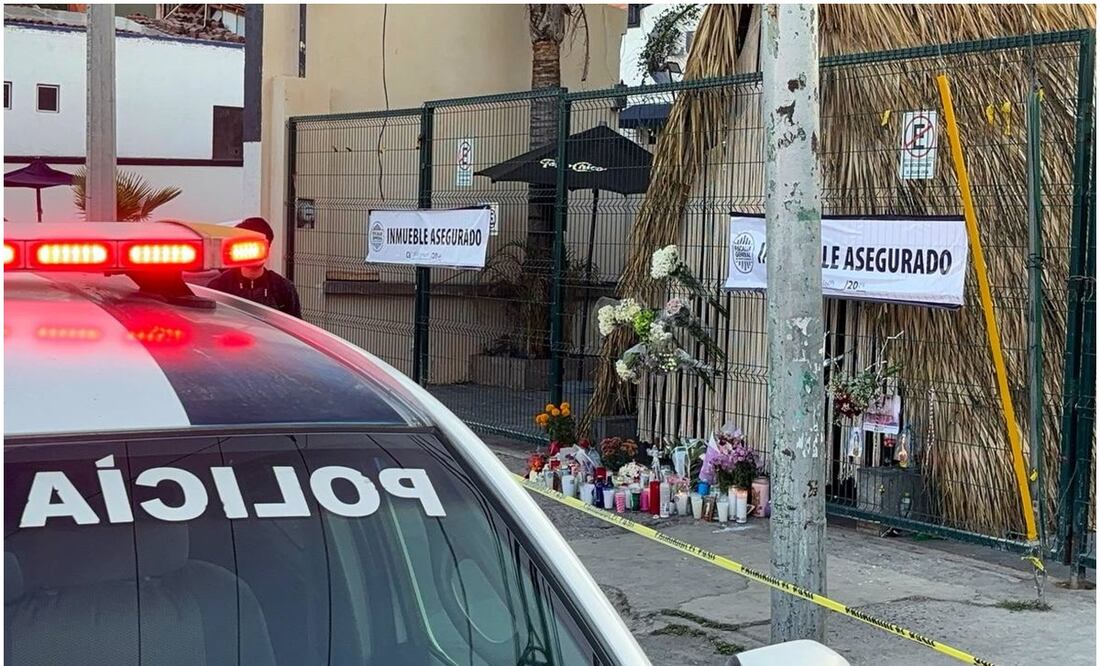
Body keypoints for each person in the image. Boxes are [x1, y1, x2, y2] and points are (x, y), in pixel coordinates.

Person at [207, 218, 302, 318]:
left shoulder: (283, 289)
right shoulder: (219, 287)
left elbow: (294, 328)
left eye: (259, 246)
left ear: (268, 248)